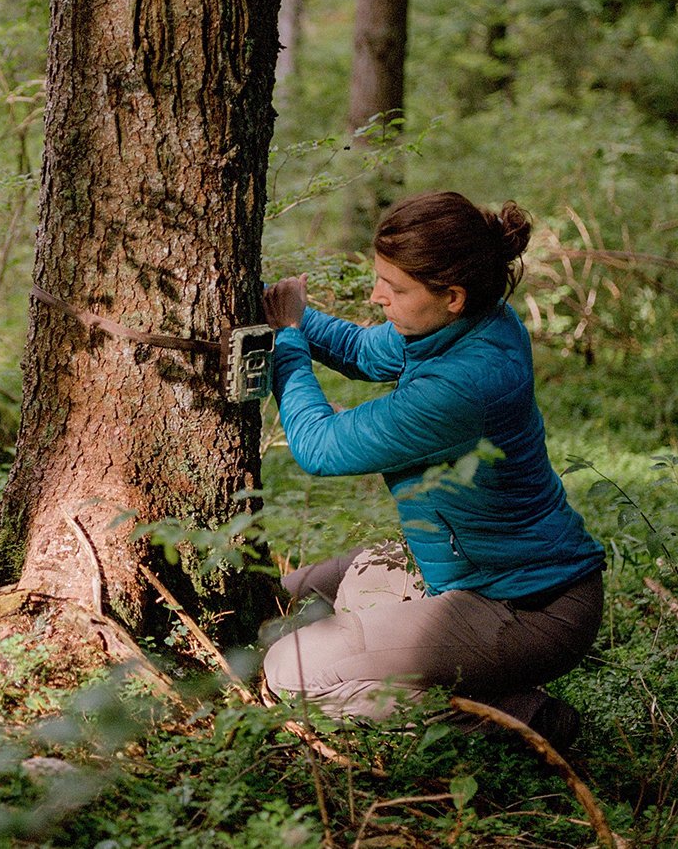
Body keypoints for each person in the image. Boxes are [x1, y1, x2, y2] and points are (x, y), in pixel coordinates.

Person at [259, 191, 605, 749]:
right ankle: (472, 684)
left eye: (392, 289)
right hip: (464, 571)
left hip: (524, 608)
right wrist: (294, 316)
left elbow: (320, 447)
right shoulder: (471, 322)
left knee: (291, 667)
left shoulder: (463, 385)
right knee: (283, 600)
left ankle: (518, 720)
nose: (376, 297)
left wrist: (288, 342)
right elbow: (367, 350)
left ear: (451, 295)